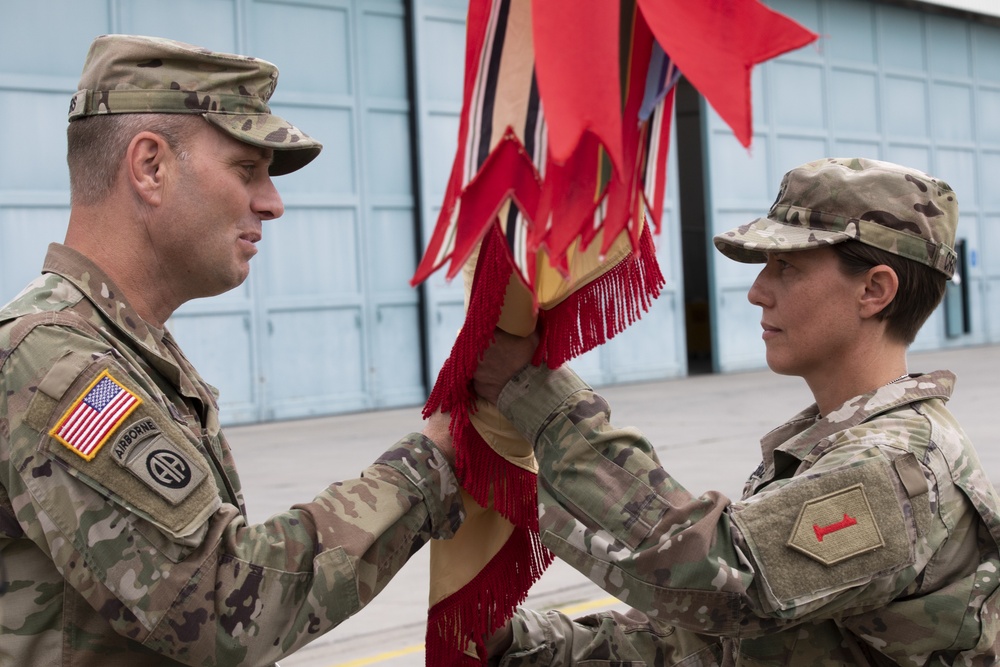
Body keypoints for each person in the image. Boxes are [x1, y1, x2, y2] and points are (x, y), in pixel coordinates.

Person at [0, 34, 463, 666]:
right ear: (150, 168)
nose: (272, 204)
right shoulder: (56, 366)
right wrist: (430, 467)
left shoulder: (126, 351)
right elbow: (218, 603)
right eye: (247, 171)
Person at [473, 157, 1000, 665]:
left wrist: (538, 399)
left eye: (786, 266)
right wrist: (516, 644)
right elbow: (702, 643)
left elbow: (718, 577)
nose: (756, 292)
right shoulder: (832, 445)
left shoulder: (894, 464)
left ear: (874, 289)